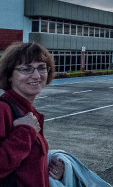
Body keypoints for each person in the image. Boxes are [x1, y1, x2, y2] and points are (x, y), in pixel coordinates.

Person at [0, 42, 65, 187]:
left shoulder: (26, 110)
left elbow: (25, 164)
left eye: (41, 67)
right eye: (26, 69)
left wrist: (51, 168)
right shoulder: (3, 110)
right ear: (9, 75)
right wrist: (24, 132)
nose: (36, 75)